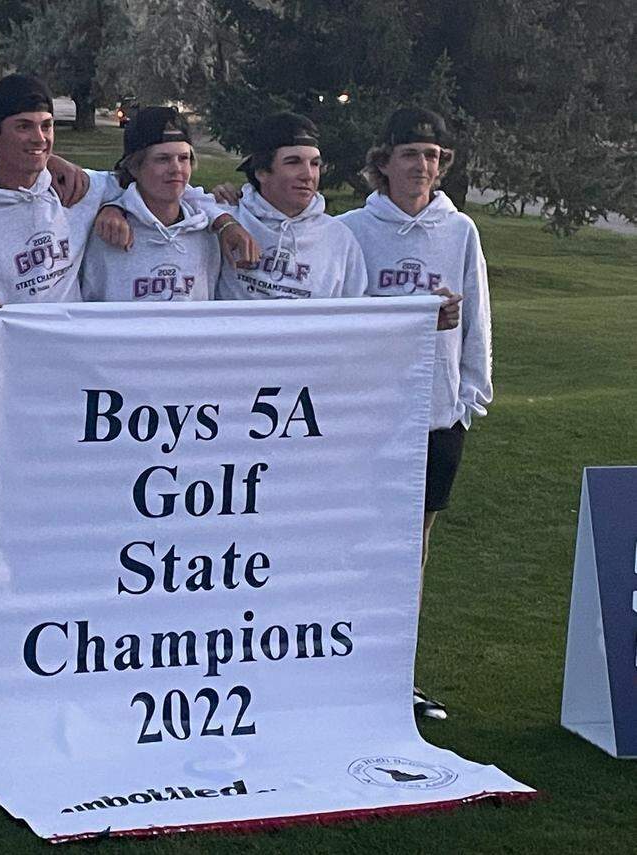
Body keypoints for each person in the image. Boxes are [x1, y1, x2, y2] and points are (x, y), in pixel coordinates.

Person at [0, 76, 256, 646]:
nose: (38, 139)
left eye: (46, 128)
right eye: (23, 128)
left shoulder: (83, 195)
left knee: (64, 543)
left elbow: (164, 189)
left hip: (71, 409)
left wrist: (213, 214)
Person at [337, 107, 491, 720]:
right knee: (354, 543)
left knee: (414, 550)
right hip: (369, 415)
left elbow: (476, 314)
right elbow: (342, 319)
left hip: (436, 415)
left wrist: (469, 397)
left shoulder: (460, 231)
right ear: (384, 163)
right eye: (410, 154)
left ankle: (398, 674)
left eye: (432, 156)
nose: (422, 166)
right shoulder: (352, 228)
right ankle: (340, 664)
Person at [213, 112, 368, 301]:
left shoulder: (340, 238)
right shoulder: (225, 223)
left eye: (315, 164)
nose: (308, 175)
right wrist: (219, 216)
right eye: (293, 162)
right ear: (262, 172)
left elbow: (355, 314)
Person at [80, 106, 221, 302]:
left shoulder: (207, 233)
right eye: (162, 159)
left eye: (184, 158)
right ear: (134, 167)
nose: (176, 169)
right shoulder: (106, 232)